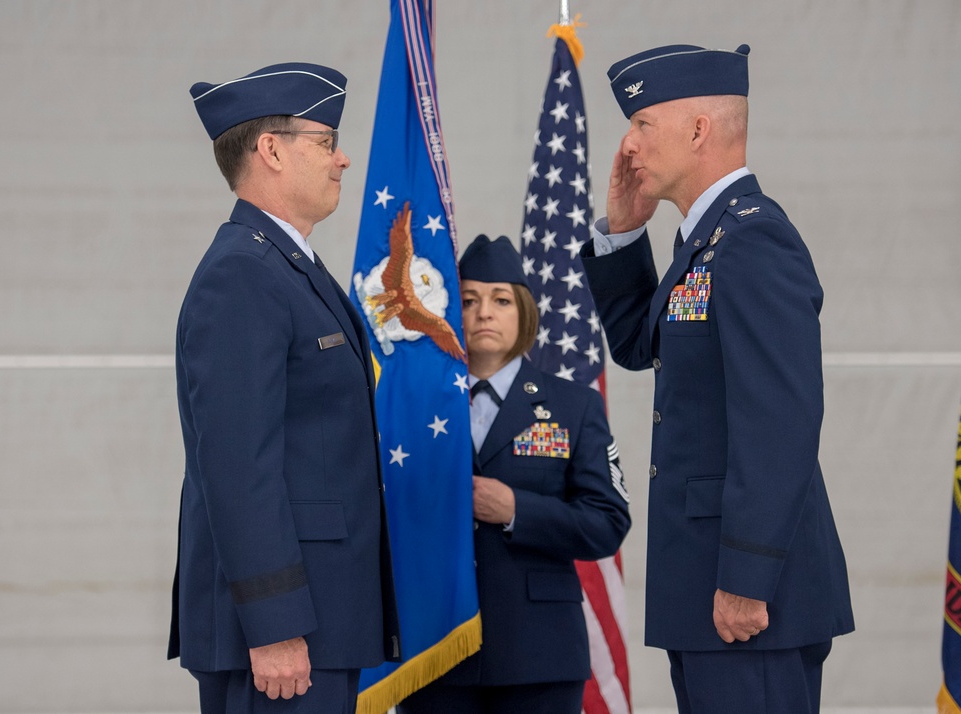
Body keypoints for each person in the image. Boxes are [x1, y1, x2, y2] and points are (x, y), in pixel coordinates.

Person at [580, 44, 854, 713]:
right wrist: (622, 235)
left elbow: (780, 423)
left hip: (747, 595)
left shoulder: (754, 241)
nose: (629, 142)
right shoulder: (706, 242)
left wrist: (748, 578)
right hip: (707, 580)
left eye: (643, 122)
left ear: (698, 130)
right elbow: (640, 346)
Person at [168, 62, 399, 714]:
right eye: (325, 142)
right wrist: (273, 625)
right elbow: (239, 467)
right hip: (281, 632)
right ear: (271, 149)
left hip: (319, 616)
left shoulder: (286, 265)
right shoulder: (244, 274)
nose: (343, 159)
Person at [397, 235, 631, 714]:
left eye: (501, 300)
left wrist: (516, 510)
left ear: (523, 313)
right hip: (435, 649)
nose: (484, 312)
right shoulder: (412, 407)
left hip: (538, 657)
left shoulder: (574, 405)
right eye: (468, 300)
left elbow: (607, 522)